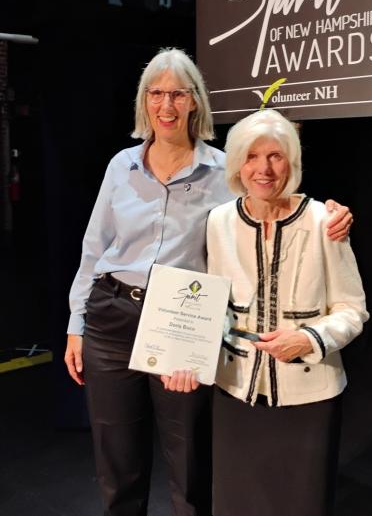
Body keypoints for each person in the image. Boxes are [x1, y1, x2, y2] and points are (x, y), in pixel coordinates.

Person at [64, 47, 353, 516]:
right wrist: (77, 323)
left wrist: (332, 217)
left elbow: (275, 201)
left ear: (194, 101)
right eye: (156, 94)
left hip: (181, 319)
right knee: (116, 460)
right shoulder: (121, 166)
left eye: (178, 93)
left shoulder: (225, 170)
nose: (166, 105)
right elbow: (94, 249)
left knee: (190, 462)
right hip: (111, 316)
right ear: (144, 102)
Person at [206, 108, 369, 516]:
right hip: (235, 390)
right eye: (252, 156)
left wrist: (310, 339)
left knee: (300, 502)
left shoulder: (324, 221)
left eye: (276, 156)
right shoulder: (218, 221)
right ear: (238, 164)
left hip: (309, 396)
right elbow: (210, 304)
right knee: (236, 501)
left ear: (292, 162)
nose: (264, 168)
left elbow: (353, 310)